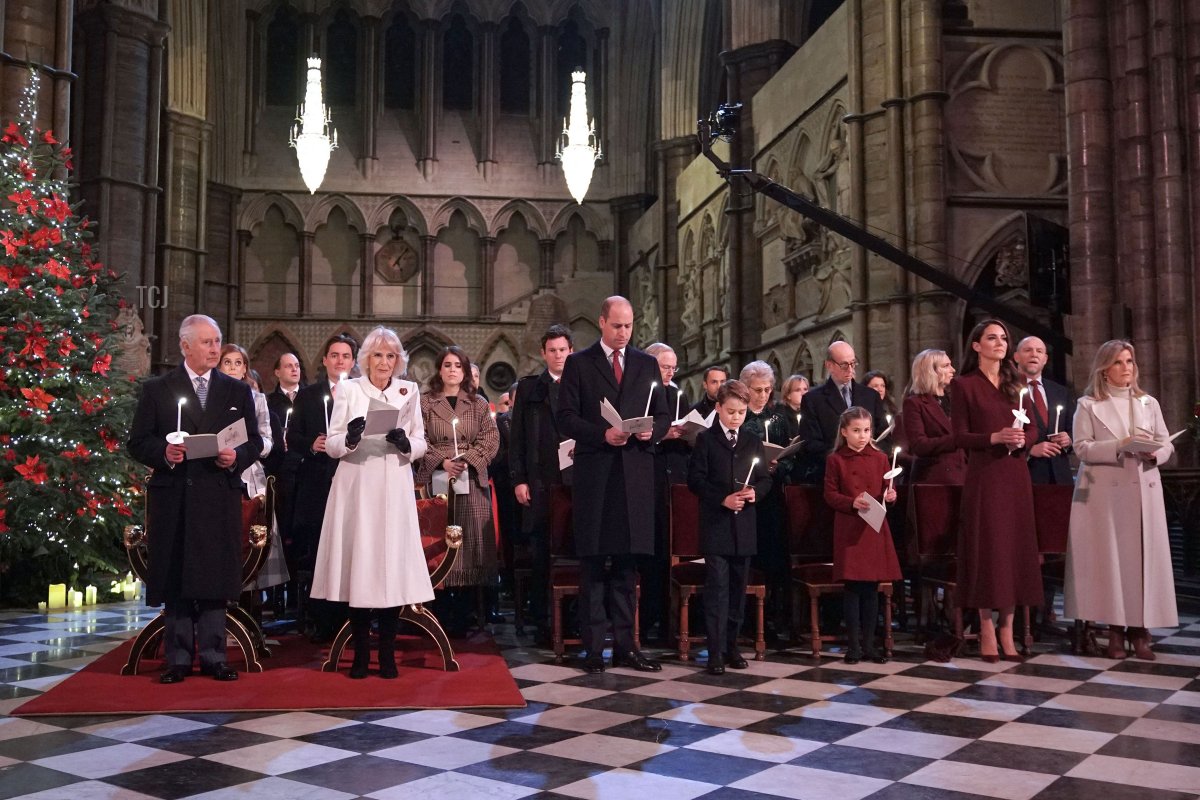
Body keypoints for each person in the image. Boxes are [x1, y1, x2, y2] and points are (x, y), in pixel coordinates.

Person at [126, 314, 263, 684]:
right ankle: (179, 659)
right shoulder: (159, 389)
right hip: (176, 497)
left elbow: (255, 441)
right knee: (178, 576)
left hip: (218, 494)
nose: (215, 348)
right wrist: (164, 454)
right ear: (185, 346)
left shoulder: (236, 391)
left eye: (217, 341)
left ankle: (216, 656)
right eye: (206, 342)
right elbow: (137, 441)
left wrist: (237, 457)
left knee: (214, 577)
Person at [310, 327, 431, 678]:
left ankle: (388, 655)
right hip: (357, 485)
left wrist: (405, 442)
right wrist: (348, 438)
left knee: (390, 567)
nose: (384, 362)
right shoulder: (348, 389)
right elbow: (331, 443)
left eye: (391, 356)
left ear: (398, 361)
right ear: (366, 359)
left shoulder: (409, 391)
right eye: (378, 355)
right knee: (360, 565)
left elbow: (421, 441)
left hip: (393, 482)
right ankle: (362, 654)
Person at [557, 296, 670, 673]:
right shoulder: (578, 363)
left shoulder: (646, 363)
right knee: (592, 568)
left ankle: (626, 646)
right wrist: (601, 434)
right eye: (617, 325)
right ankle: (592, 649)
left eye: (629, 326)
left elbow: (663, 413)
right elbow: (567, 418)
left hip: (634, 476)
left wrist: (650, 432)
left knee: (626, 568)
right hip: (596, 477)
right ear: (602, 323)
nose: (624, 333)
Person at [1065, 340, 1177, 661]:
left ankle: (1141, 632)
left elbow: (1165, 442)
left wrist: (1157, 453)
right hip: (1107, 493)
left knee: (1143, 559)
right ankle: (1115, 629)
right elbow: (1082, 447)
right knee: (1112, 560)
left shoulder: (1147, 402)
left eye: (1129, 361)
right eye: (1118, 362)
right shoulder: (1088, 404)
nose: (1126, 367)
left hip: (1144, 488)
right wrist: (1119, 444)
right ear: (1105, 368)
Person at [951, 318, 1042, 662]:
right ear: (976, 345)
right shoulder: (964, 385)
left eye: (1004, 337)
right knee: (989, 551)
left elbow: (1033, 427)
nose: (1000, 343)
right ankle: (986, 627)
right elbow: (959, 435)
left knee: (1014, 550)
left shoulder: (1015, 381)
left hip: (1015, 473)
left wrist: (1023, 438)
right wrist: (994, 437)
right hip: (985, 476)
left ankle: (1009, 630)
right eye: (992, 338)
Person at [687, 379, 771, 675]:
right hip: (717, 527)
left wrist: (754, 493)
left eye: (741, 412)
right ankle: (715, 652)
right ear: (718, 408)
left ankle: (732, 647)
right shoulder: (706, 440)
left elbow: (764, 478)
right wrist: (722, 498)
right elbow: (695, 480)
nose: (736, 417)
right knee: (718, 590)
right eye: (731, 411)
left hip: (744, 528)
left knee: (737, 591)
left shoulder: (752, 441)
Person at [415, 346, 500, 637]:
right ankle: (437, 610)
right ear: (439, 369)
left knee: (468, 545)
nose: (453, 370)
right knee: (437, 542)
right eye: (447, 365)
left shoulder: (477, 404)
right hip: (436, 481)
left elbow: (491, 438)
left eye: (458, 366)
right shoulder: (424, 403)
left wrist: (466, 461)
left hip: (470, 481)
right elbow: (418, 438)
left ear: (465, 372)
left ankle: (464, 612)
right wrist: (442, 461)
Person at [287, 332, 358, 642]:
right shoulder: (307, 395)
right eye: (335, 355)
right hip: (317, 484)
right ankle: (321, 620)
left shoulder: (359, 393)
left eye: (346, 356)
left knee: (350, 551)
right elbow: (293, 437)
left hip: (351, 480)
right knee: (320, 552)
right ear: (325, 360)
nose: (340, 360)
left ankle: (351, 618)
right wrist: (312, 445)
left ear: (353, 362)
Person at [824, 406, 901, 664]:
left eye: (866, 431)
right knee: (853, 589)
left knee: (871, 589)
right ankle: (853, 647)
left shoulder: (880, 458)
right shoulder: (836, 460)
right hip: (849, 528)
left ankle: (869, 645)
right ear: (844, 432)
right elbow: (830, 494)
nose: (862, 436)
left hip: (873, 527)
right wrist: (850, 502)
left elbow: (885, 491)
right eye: (856, 431)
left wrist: (890, 496)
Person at [510, 324, 574, 637]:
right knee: (539, 549)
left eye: (562, 350)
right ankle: (542, 619)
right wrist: (519, 479)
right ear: (543, 353)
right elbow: (518, 439)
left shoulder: (581, 385)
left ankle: (571, 619)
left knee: (571, 548)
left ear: (571, 351)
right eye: (552, 350)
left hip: (573, 481)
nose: (558, 355)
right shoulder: (529, 388)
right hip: (539, 479)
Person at [217, 347, 289, 616]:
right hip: (217, 474)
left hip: (250, 477)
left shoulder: (257, 399)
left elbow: (268, 441)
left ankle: (250, 617)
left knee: (253, 546)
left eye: (239, 363)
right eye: (228, 362)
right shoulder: (210, 397)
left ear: (245, 368)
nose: (234, 367)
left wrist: (245, 447)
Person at [738, 360, 791, 637]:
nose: (763, 395)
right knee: (749, 560)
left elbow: (789, 456)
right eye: (757, 390)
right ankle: (746, 620)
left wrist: (779, 465)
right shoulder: (739, 418)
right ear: (745, 389)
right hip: (747, 498)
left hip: (772, 499)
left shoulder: (779, 418)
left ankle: (772, 618)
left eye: (768, 389)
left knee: (773, 559)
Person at [798, 341, 888, 483]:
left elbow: (884, 436)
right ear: (829, 365)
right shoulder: (813, 399)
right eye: (844, 365)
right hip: (834, 475)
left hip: (870, 473)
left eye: (853, 363)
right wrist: (844, 459)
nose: (850, 369)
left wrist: (870, 458)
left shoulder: (871, 395)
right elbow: (811, 443)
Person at [264, 352, 303, 612]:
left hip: (303, 472)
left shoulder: (309, 398)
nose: (294, 370)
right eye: (288, 366)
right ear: (277, 372)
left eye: (297, 366)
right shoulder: (269, 402)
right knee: (279, 532)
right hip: (278, 474)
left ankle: (299, 597)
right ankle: (275, 593)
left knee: (300, 535)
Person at [1012, 336, 1075, 485]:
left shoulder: (1060, 391)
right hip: (1025, 475)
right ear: (1016, 357)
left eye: (1039, 351)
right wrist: (1029, 450)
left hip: (1060, 477)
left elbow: (1074, 429)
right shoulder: (1007, 391)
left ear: (1045, 359)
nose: (1034, 354)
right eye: (1028, 350)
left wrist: (1069, 439)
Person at [900, 349, 966, 484]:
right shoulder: (914, 403)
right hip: (934, 477)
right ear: (931, 371)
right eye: (946, 366)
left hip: (963, 474)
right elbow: (920, 445)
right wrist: (957, 440)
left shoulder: (957, 399)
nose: (953, 370)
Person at [777, 373, 810, 446]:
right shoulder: (780, 414)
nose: (803, 393)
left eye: (805, 389)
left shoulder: (809, 412)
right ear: (788, 395)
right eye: (798, 390)